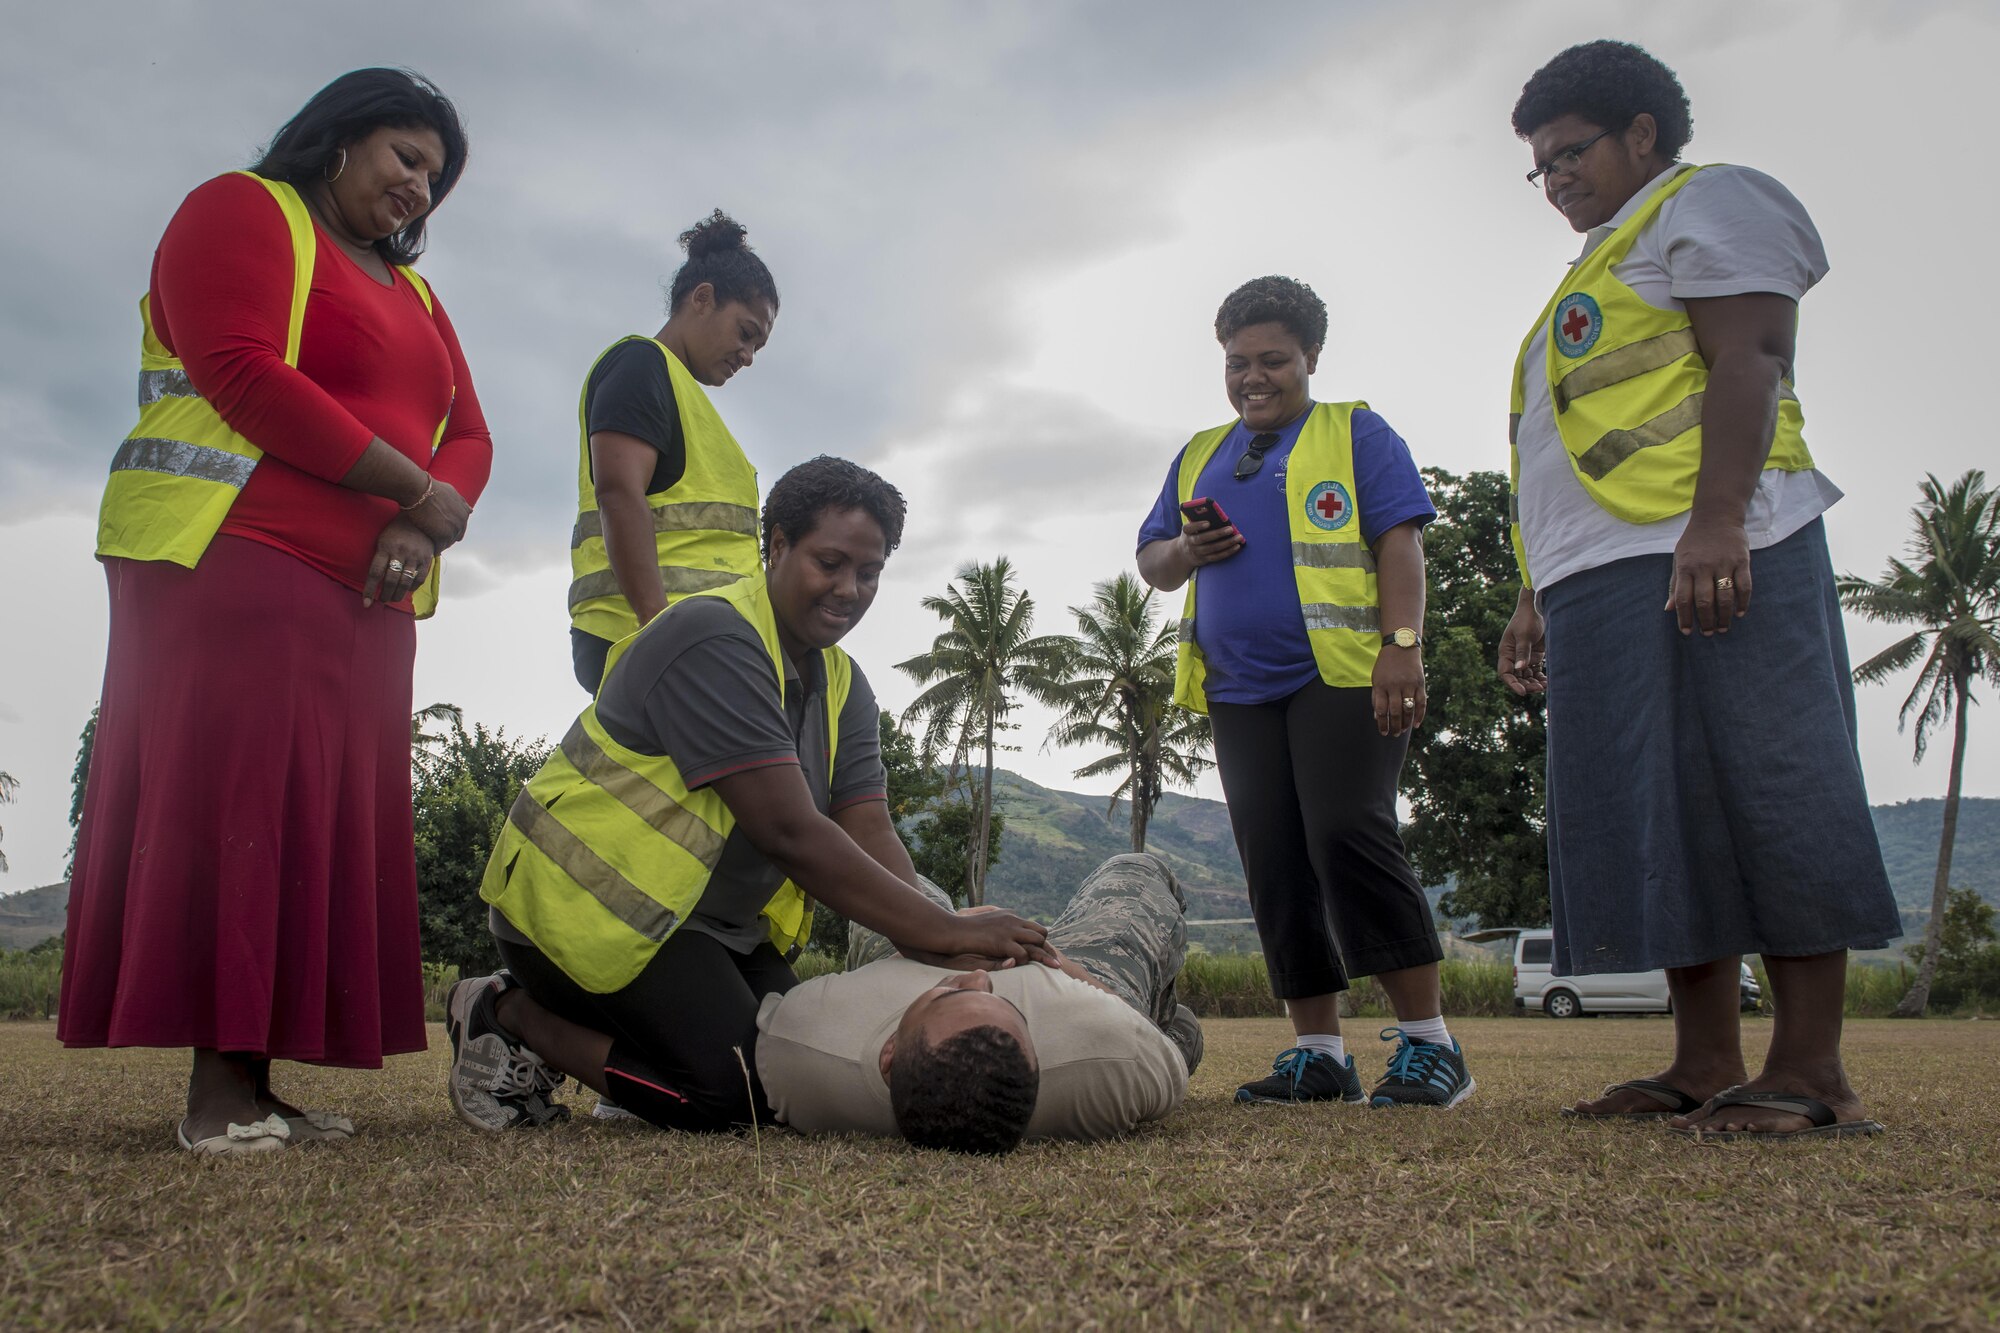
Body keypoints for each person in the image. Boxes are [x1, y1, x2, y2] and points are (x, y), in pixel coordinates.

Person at [59, 69, 489, 1155]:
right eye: (404, 156)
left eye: (434, 176)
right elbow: (241, 371)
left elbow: (470, 437)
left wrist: (421, 523)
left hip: (367, 593)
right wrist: (408, 487)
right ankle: (216, 1094)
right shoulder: (240, 209)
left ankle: (259, 1079)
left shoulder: (419, 297)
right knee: (238, 798)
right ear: (337, 141)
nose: (418, 188)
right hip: (233, 555)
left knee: (311, 817)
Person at [1498, 41, 1899, 1139]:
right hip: (1596, 579)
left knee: (1766, 777)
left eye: (1568, 151)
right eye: (1537, 166)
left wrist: (1716, 519)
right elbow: (1554, 451)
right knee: (1657, 809)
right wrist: (1534, 592)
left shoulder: (1708, 199)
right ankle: (1700, 1059)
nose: (1554, 179)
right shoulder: (1584, 275)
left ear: (1641, 133)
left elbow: (1751, 354)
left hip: (1709, 543)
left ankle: (1810, 1065)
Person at [449, 457, 1050, 1132]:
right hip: (578, 914)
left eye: (870, 571)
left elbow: (868, 828)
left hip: (705, 930)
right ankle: (503, 1011)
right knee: (734, 1092)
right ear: (777, 546)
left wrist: (936, 936)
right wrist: (944, 930)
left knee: (793, 1066)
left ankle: (641, 1057)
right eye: (830, 562)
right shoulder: (714, 636)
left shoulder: (843, 683)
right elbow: (787, 830)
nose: (849, 588)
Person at [1135, 277, 1473, 1110]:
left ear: (1310, 357)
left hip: (1345, 673)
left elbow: (1399, 542)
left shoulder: (1356, 431)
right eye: (1237, 362)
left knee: (1347, 832)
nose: (1254, 376)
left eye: (1273, 360)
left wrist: (1402, 646)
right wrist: (1190, 545)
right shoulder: (1200, 451)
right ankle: (1319, 1053)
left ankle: (1434, 1046)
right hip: (1239, 690)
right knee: (1273, 856)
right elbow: (1151, 563)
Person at [756, 853, 1202, 1154]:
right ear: (1038, 1058)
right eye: (1006, 998)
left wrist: (942, 932)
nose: (980, 975)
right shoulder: (1110, 1056)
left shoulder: (798, 1042)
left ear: (889, 1052)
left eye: (950, 993)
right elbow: (1145, 1037)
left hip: (910, 947)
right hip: (1072, 974)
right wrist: (1054, 964)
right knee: (1138, 870)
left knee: (884, 879)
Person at [567, 211, 776, 694]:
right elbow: (619, 494)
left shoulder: (687, 398)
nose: (747, 356)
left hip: (696, 643)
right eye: (745, 333)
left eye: (758, 348)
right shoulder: (640, 364)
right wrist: (657, 632)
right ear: (702, 298)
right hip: (650, 641)